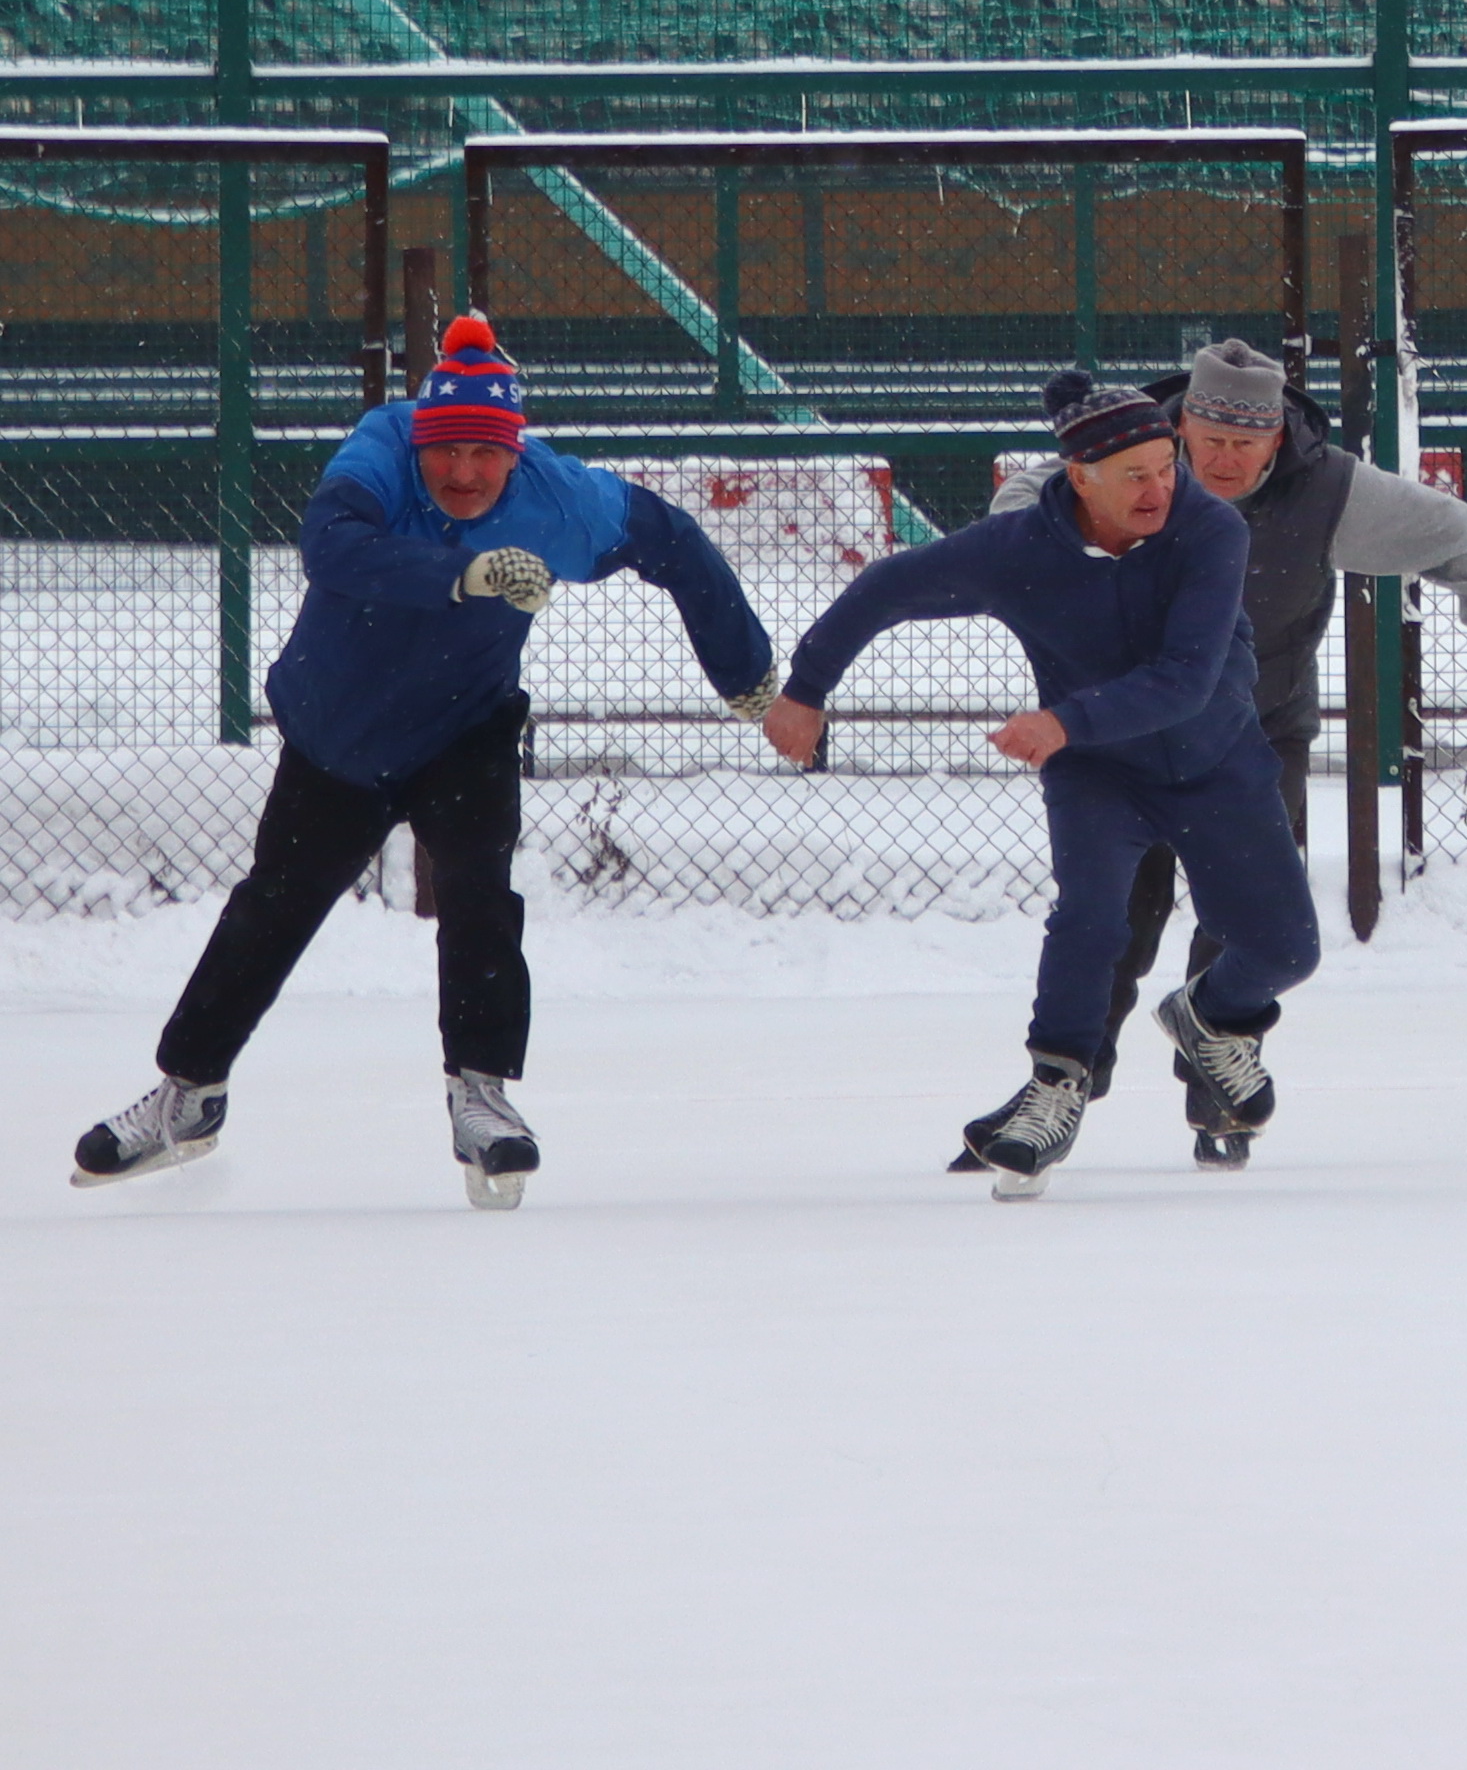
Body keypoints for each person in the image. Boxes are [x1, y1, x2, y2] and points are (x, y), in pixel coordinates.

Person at [71, 313, 775, 1208]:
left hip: (464, 726)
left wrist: (746, 671)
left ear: (515, 451)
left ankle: (481, 1092)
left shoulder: (560, 500)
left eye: (487, 453)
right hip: (339, 732)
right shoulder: (380, 447)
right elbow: (329, 544)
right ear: (421, 440)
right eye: (447, 451)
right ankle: (188, 1095)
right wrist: (464, 577)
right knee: (272, 910)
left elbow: (676, 543)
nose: (464, 473)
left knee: (479, 886)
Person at [969, 338, 1467, 1167]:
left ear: (1278, 438)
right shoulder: (1131, 458)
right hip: (1114, 740)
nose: (1225, 458)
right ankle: (1055, 1096)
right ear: (1181, 422)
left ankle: (1218, 1094)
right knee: (1114, 924)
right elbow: (1024, 507)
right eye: (1210, 437)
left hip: (1254, 737)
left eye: (1247, 441)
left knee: (1248, 927)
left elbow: (1462, 536)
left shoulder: (1332, 491)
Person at [763, 370, 1322, 1196]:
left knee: (1287, 949)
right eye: (1135, 474)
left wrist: (1063, 722)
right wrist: (805, 688)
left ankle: (1209, 1019)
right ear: (1080, 477)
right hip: (1099, 773)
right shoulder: (1018, 549)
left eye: (1167, 466)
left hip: (1215, 760)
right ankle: (1056, 1085)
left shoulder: (1208, 530)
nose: (1160, 488)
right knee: (1091, 919)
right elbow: (885, 588)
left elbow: (1186, 679)